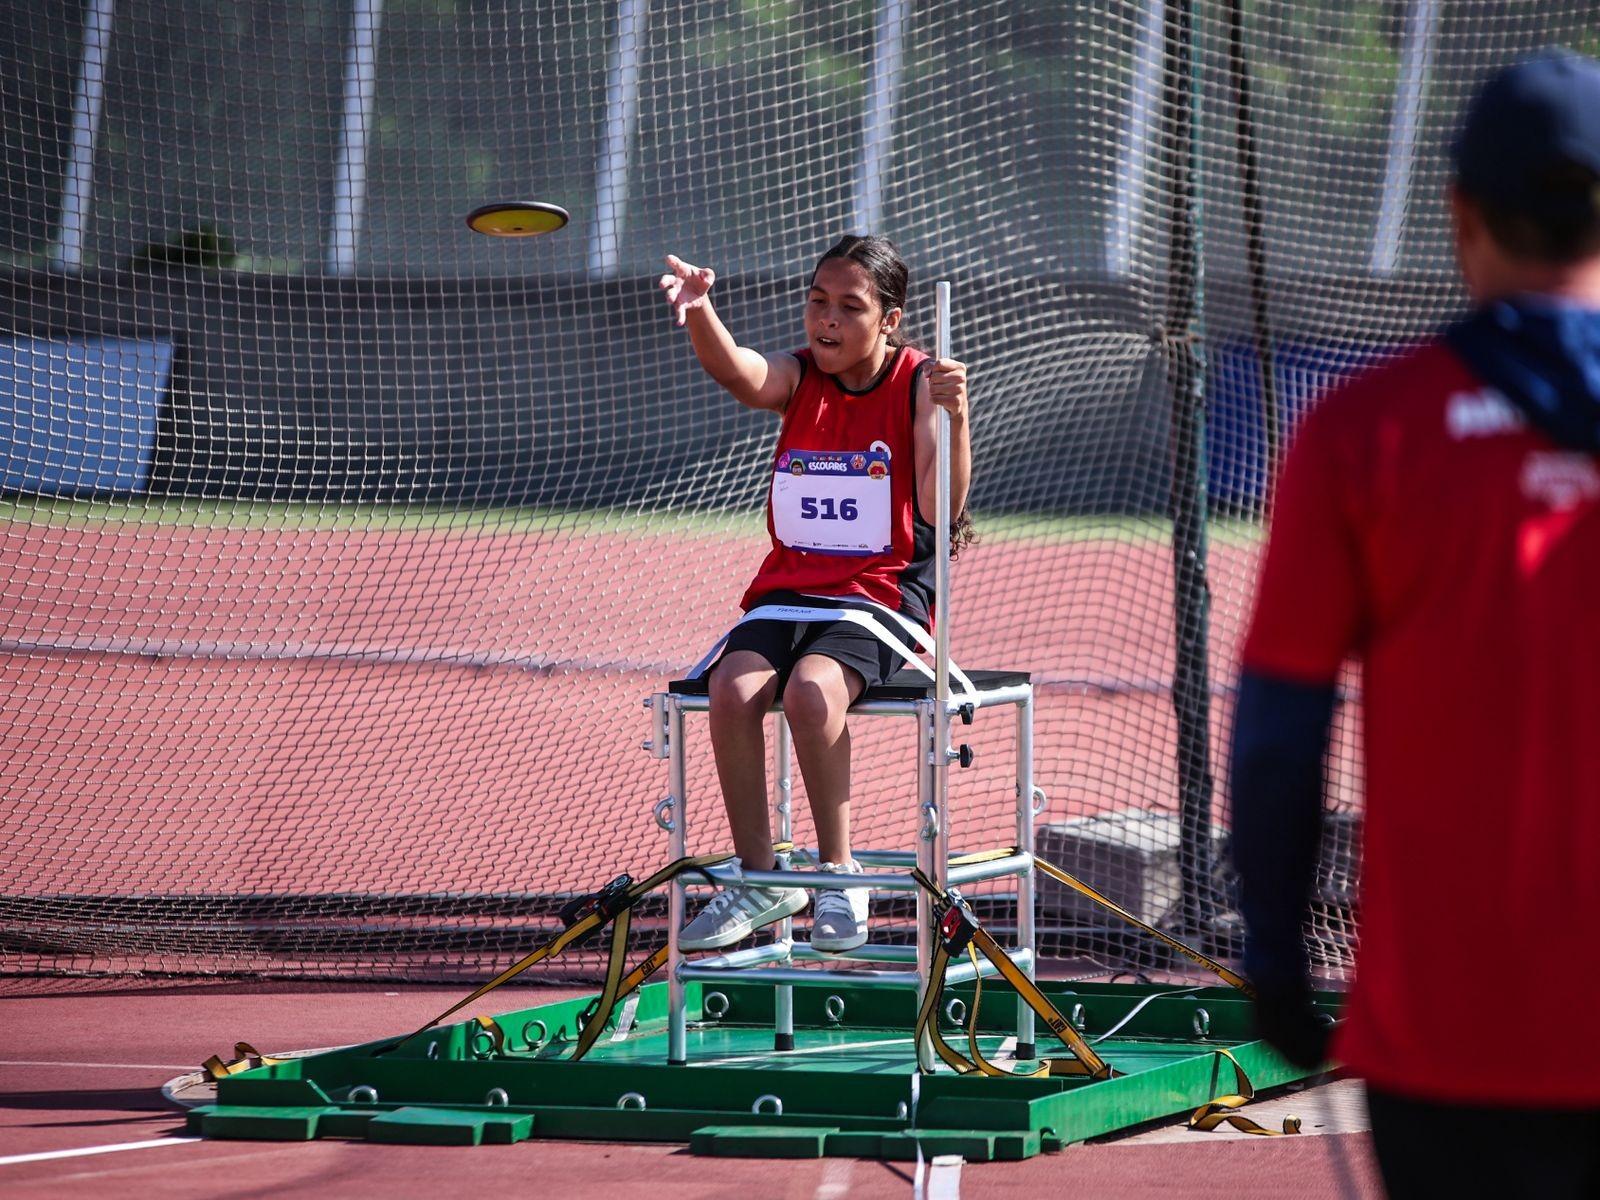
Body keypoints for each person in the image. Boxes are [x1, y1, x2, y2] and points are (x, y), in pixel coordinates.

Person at [1230, 51, 1600, 1197]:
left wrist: (1278, 960)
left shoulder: (1363, 431)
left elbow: (1281, 732)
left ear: (1458, 209)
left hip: (1441, 1034)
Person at [658, 235, 971, 953]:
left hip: (880, 598)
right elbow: (740, 374)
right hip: (789, 593)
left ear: (889, 320)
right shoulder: (800, 378)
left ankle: (839, 875)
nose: (826, 320)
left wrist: (957, 418)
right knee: (733, 692)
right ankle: (764, 880)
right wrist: (702, 309)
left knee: (810, 694)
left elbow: (939, 506)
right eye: (817, 302)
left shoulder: (920, 383)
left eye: (849, 308)